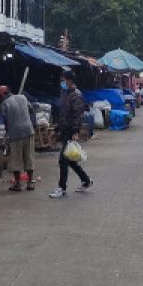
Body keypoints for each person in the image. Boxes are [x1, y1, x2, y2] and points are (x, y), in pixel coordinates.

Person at [50, 69, 92, 198]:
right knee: (69, 160)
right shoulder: (65, 93)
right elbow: (64, 113)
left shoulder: (76, 95)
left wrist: (75, 130)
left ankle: (62, 188)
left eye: (63, 80)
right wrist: (57, 128)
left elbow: (78, 114)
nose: (61, 82)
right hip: (65, 130)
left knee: (63, 160)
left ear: (69, 80)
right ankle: (86, 180)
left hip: (70, 131)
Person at [0, 85, 37, 192]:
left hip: (16, 134)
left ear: (1, 95)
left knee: (15, 159)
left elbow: (5, 121)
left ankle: (18, 184)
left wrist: (8, 133)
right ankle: (30, 183)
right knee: (29, 157)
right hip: (29, 131)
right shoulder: (23, 98)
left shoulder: (4, 104)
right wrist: (32, 124)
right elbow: (32, 110)